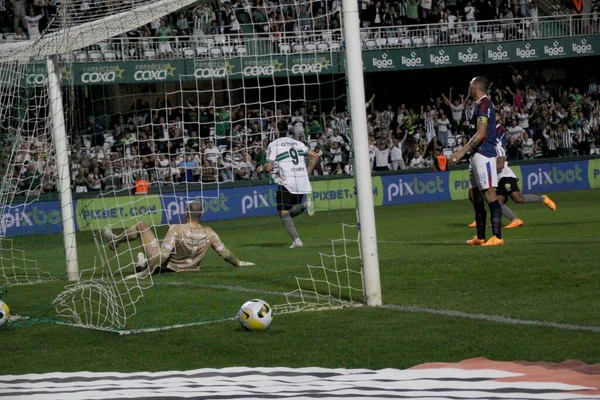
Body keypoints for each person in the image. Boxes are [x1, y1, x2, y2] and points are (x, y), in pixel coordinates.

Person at [102, 201, 254, 278]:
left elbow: (164, 255)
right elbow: (225, 254)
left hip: (166, 267)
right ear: (200, 216)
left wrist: (147, 272)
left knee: (142, 225)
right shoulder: (210, 233)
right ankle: (141, 262)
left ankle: (116, 242)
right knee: (149, 254)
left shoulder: (176, 228)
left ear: (185, 214)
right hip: (191, 268)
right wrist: (239, 262)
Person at [448, 76, 503, 246]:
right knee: (474, 195)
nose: (468, 88)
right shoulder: (479, 105)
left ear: (476, 86)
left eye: (470, 85)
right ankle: (480, 237)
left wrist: (460, 153)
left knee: (489, 193)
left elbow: (481, 134)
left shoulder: (484, 104)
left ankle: (497, 237)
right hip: (475, 155)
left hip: (484, 153)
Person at [468, 131, 557, 229]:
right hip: (497, 180)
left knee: (518, 199)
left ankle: (543, 198)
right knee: (496, 202)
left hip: (506, 176)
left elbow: (500, 165)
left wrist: (485, 168)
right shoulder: (484, 151)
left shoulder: (497, 148)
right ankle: (510, 220)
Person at [264, 120, 320, 248]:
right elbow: (315, 156)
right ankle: (304, 205)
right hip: (301, 181)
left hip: (288, 181)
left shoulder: (274, 144)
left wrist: (263, 167)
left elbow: (268, 168)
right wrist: (306, 172)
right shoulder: (297, 142)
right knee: (287, 211)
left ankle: (297, 240)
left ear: (276, 130)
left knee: (283, 211)